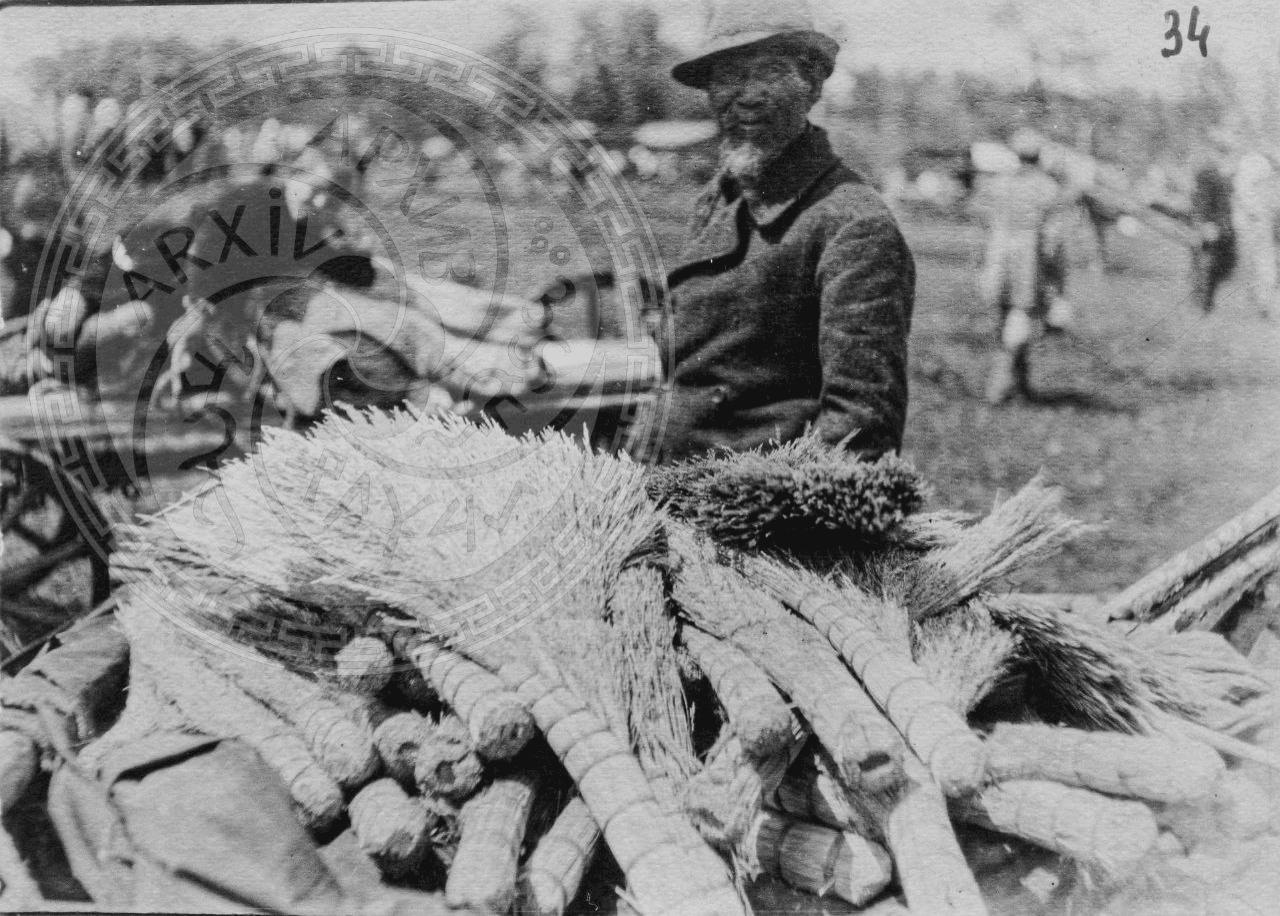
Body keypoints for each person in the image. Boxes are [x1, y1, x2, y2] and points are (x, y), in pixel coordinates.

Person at [629, 0, 915, 464]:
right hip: (665, 479)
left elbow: (860, 430)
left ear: (812, 85)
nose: (745, 95)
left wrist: (760, 516)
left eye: (766, 73)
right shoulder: (720, 199)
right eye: (726, 76)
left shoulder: (853, 224)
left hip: (752, 512)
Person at [975, 128, 1074, 405]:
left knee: (1005, 318)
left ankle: (1020, 385)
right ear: (1039, 155)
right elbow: (1052, 240)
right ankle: (998, 386)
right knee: (1020, 319)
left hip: (997, 257)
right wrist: (1057, 279)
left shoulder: (999, 183)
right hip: (1027, 261)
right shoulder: (1048, 188)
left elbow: (985, 221)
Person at [1231, 151, 1277, 319]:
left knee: (1262, 267)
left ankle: (1262, 303)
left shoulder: (1260, 170)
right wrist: (1255, 213)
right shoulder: (1259, 166)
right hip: (1252, 226)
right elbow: (1243, 190)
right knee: (1259, 266)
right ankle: (1260, 303)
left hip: (1256, 225)